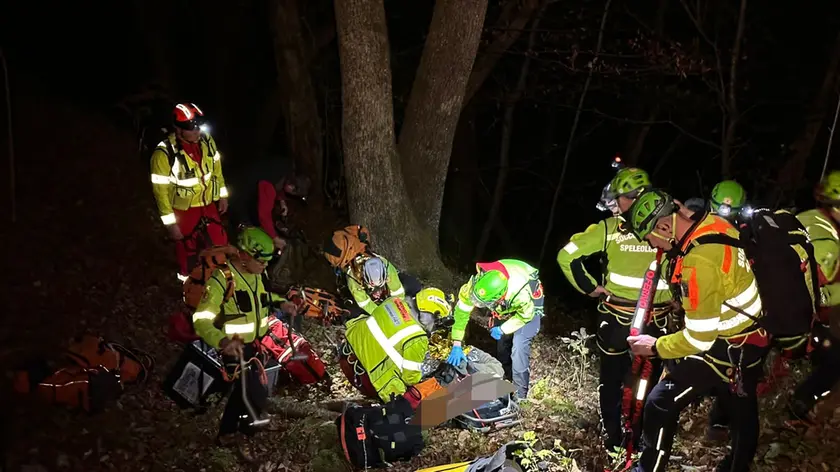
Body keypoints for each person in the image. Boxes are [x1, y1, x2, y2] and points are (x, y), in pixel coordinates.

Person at [624, 189, 770, 472]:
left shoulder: (698, 262)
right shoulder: (713, 223)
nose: (655, 246)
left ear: (665, 226)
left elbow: (699, 338)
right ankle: (736, 466)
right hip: (753, 337)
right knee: (743, 409)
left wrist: (655, 346)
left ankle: (648, 469)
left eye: (651, 238)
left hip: (725, 348)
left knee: (660, 403)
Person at [558, 166, 672, 451]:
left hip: (617, 320)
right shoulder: (668, 227)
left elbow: (566, 256)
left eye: (618, 198)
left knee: (611, 380)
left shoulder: (609, 228)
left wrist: (590, 287)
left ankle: (612, 437)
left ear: (629, 198)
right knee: (648, 380)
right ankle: (642, 435)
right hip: (657, 321)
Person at [192, 227, 294, 455]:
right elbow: (201, 319)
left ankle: (228, 432)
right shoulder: (222, 280)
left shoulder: (258, 274)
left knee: (242, 391)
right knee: (255, 390)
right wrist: (221, 342)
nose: (265, 266)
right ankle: (249, 432)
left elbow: (263, 298)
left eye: (269, 261)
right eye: (262, 261)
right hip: (233, 347)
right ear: (245, 255)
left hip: (256, 343)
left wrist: (281, 303)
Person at [150, 103, 229, 282]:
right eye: (192, 129)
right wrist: (171, 224)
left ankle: (221, 282)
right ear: (178, 129)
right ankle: (187, 285)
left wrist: (223, 195)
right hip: (183, 209)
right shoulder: (163, 154)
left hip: (208, 204)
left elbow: (217, 171)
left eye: (199, 127)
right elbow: (160, 193)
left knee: (220, 243)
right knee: (187, 249)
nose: (197, 132)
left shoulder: (207, 142)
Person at [445, 259, 544, 400]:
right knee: (502, 344)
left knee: (519, 346)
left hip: (529, 299)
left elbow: (525, 316)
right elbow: (462, 313)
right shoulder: (475, 287)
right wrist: (456, 343)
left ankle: (521, 394)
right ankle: (502, 375)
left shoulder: (520, 295)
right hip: (502, 302)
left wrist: (504, 328)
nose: (478, 305)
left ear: (499, 297)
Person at [339, 287, 451, 402]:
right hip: (366, 379)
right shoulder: (417, 338)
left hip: (346, 353)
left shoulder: (393, 301)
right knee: (413, 400)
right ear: (432, 316)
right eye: (436, 322)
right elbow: (410, 378)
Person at [790, 170, 840, 424]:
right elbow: (812, 292)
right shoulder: (828, 240)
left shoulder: (806, 218)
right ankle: (801, 402)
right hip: (792, 314)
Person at [227, 156, 312, 252]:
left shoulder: (284, 170)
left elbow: (279, 187)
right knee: (248, 223)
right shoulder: (269, 188)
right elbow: (264, 215)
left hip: (242, 174)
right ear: (292, 186)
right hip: (236, 191)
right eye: (293, 193)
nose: (291, 195)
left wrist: (281, 201)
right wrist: (275, 238)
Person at [345, 254, 422, 316]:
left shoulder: (388, 268)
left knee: (413, 285)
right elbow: (366, 304)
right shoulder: (353, 280)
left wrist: (399, 309)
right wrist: (383, 315)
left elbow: (398, 293)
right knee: (354, 312)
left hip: (383, 285)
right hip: (363, 289)